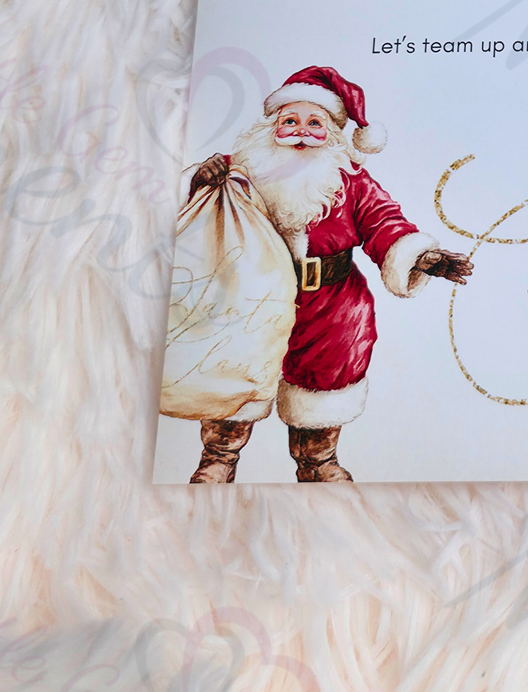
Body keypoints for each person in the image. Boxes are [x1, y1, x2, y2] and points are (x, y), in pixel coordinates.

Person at [188, 65, 470, 483]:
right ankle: (219, 458)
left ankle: (318, 461)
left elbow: (382, 219)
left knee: (324, 382)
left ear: (333, 132)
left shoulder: (351, 179)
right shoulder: (238, 170)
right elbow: (190, 214)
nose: (301, 131)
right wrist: (199, 180)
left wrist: (420, 254)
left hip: (330, 304)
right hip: (248, 298)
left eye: (314, 123)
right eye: (290, 121)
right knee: (234, 374)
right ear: (272, 126)